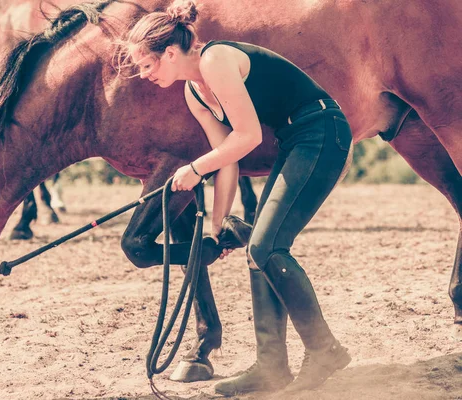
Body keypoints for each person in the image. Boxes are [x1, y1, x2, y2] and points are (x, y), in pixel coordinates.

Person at [120, 0, 353, 395]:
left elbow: (249, 137)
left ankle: (325, 350)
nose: (144, 75)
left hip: (322, 132)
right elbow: (228, 160)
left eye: (147, 64)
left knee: (266, 245)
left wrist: (194, 170)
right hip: (295, 140)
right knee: (256, 248)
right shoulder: (194, 93)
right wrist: (216, 227)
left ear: (171, 54)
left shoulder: (216, 60)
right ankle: (271, 367)